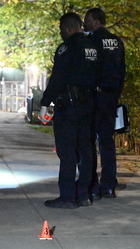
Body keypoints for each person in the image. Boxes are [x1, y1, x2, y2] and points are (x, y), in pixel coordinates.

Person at [39, 12, 98, 209]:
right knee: (86, 151)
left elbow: (58, 77)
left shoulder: (67, 47)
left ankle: (67, 197)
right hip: (89, 104)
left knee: (67, 152)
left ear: (66, 28)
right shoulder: (93, 46)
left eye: (61, 30)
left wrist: (45, 103)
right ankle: (83, 194)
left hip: (69, 106)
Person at [84, 8, 126, 199]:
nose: (85, 23)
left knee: (90, 141)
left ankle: (91, 184)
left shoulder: (92, 41)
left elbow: (89, 70)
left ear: (95, 21)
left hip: (95, 97)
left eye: (87, 20)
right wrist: (116, 95)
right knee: (107, 141)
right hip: (111, 97)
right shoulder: (117, 42)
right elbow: (122, 71)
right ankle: (109, 185)